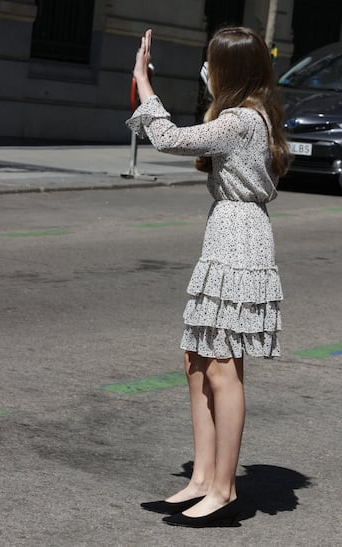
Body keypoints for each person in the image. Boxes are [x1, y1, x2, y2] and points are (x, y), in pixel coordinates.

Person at [126, 27, 290, 528]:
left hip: (238, 239)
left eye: (211, 62)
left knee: (223, 364)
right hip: (229, 234)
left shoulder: (242, 120)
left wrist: (142, 81)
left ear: (228, 71)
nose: (207, 70)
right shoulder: (247, 115)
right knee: (198, 357)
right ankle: (202, 479)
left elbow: (169, 139)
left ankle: (223, 491)